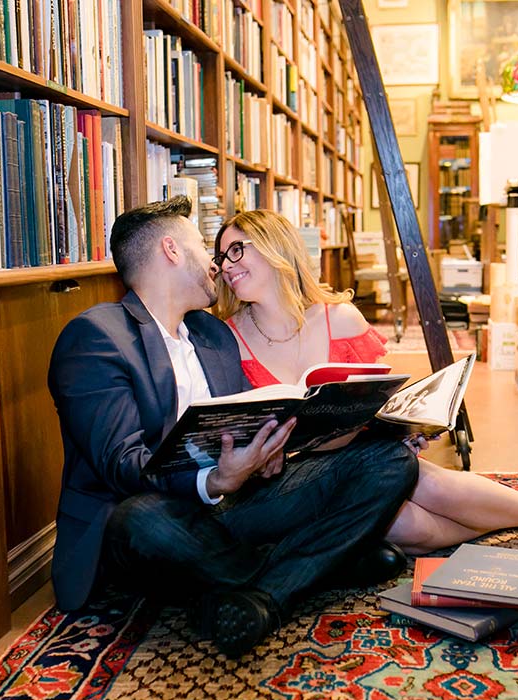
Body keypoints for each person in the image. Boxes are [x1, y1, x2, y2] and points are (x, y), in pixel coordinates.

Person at [47, 196, 420, 658]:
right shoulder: (98, 336)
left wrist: (268, 449)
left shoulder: (213, 334)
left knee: (388, 461)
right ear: (171, 250)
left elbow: (247, 419)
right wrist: (214, 478)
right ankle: (316, 568)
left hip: (234, 506)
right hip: (158, 520)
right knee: (142, 517)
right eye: (207, 248)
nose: (217, 265)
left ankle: (262, 593)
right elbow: (121, 465)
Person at [213, 209, 518, 553]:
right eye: (220, 256)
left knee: (422, 483)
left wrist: (402, 428)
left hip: (364, 454)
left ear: (274, 246)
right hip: (295, 475)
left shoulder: (338, 319)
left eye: (237, 250)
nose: (226, 266)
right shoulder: (227, 337)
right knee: (408, 532)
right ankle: (516, 514)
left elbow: (380, 396)